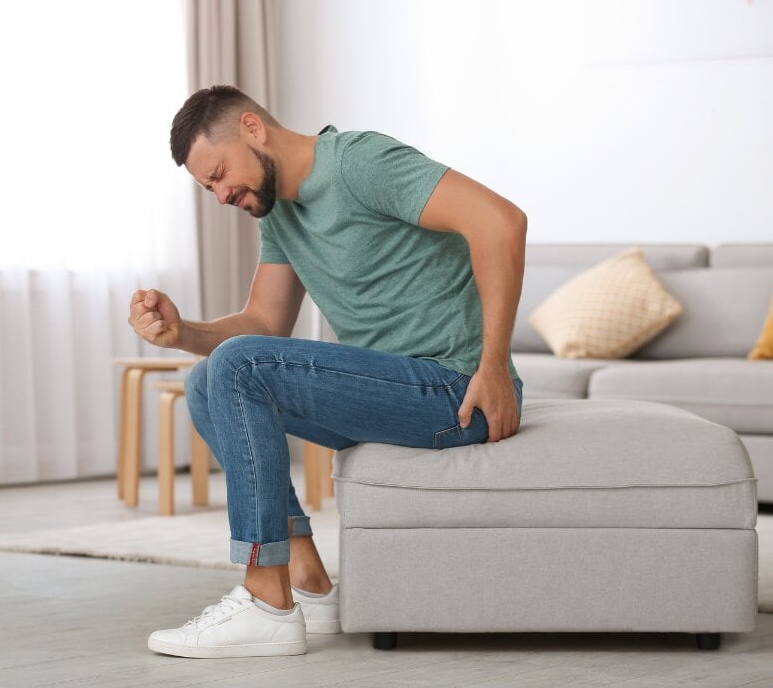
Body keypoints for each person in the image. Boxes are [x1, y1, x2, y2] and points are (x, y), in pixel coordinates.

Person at [130, 85, 526, 659]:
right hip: (393, 389)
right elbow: (264, 322)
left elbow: (502, 222)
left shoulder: (360, 163)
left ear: (252, 128)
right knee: (208, 378)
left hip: (456, 390)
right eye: (208, 187)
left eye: (218, 174)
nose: (220, 196)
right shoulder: (277, 211)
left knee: (235, 365)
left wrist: (492, 367)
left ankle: (266, 599)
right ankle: (310, 584)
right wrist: (181, 332)